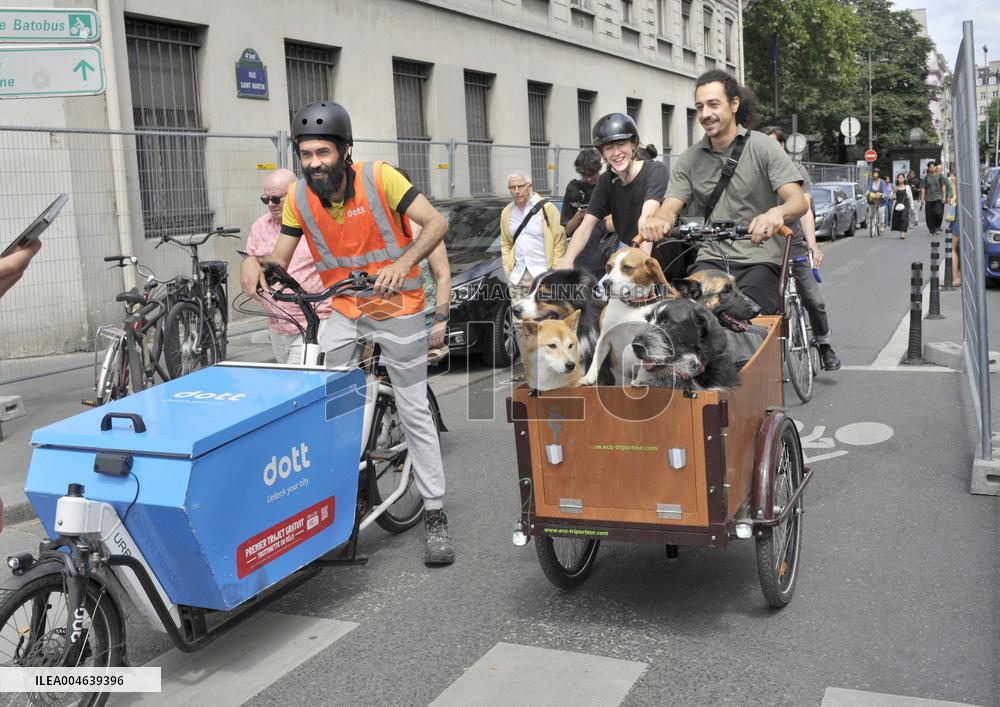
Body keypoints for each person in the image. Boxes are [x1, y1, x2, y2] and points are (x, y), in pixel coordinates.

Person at [240, 101, 455, 566]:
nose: (314, 162)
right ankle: (335, 494)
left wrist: (403, 263)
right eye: (306, 154)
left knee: (414, 405)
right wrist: (252, 264)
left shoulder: (381, 177)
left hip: (399, 307)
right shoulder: (299, 198)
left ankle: (435, 511)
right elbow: (278, 257)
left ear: (345, 150)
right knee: (320, 395)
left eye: (323, 152)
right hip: (344, 309)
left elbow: (438, 222)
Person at [638, 71, 808, 315]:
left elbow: (798, 201)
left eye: (713, 104)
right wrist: (657, 221)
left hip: (759, 258)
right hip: (711, 258)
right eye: (699, 107)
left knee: (748, 316)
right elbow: (669, 207)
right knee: (684, 315)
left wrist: (777, 213)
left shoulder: (763, 146)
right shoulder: (689, 159)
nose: (705, 114)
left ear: (734, 104)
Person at [761, 126, 841, 371]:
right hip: (764, 247)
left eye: (776, 144)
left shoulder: (797, 171)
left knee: (813, 299)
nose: (772, 149)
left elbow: (804, 210)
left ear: (783, 146)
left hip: (793, 246)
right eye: (767, 144)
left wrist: (813, 246)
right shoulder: (757, 173)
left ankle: (825, 346)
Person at [556, 113, 670, 270]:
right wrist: (567, 262)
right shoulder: (606, 180)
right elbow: (585, 227)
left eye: (621, 144)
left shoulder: (655, 171)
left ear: (633, 144)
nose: (616, 153)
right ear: (602, 154)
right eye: (609, 148)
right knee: (606, 292)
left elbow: (647, 218)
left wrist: (643, 270)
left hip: (658, 254)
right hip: (626, 250)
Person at [246, 168, 333, 364]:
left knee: (299, 385)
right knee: (287, 383)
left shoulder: (315, 223)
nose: (270, 204)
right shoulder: (260, 226)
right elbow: (252, 260)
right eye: (265, 199)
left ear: (294, 194)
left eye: (276, 199)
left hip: (311, 323)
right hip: (278, 325)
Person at [501, 170, 566, 379]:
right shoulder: (507, 212)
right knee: (521, 324)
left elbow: (559, 240)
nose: (517, 191)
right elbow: (506, 242)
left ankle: (553, 363)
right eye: (513, 187)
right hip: (519, 275)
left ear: (530, 186)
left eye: (521, 186)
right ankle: (528, 367)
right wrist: (508, 268)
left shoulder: (546, 209)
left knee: (546, 319)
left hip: (543, 275)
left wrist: (555, 271)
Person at [560, 149, 609, 278]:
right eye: (584, 175)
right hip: (582, 261)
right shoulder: (574, 189)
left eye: (592, 174)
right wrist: (580, 215)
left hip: (607, 257)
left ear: (598, 168)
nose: (588, 178)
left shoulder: (609, 184)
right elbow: (567, 230)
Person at [922, 161, 950, 235]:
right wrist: (922, 198)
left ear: (935, 167)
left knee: (938, 213)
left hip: (938, 197)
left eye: (933, 166)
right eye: (930, 167)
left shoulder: (940, 176)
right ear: (928, 168)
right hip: (929, 198)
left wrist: (944, 196)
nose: (932, 168)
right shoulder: (926, 177)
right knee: (929, 215)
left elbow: (943, 186)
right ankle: (931, 230)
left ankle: (937, 226)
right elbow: (923, 188)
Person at [890, 172, 916, 240]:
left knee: (904, 218)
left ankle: (903, 233)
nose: (900, 179)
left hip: (905, 204)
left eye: (902, 178)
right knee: (898, 218)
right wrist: (894, 192)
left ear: (904, 179)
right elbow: (892, 197)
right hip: (898, 203)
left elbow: (910, 197)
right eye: (899, 178)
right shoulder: (895, 187)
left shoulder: (907, 187)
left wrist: (912, 207)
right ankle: (901, 231)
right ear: (897, 179)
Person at [865, 169, 891, 234]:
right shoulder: (871, 181)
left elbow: (884, 189)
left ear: (879, 174)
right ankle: (871, 223)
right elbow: (868, 188)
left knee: (881, 212)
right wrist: (867, 193)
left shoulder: (882, 182)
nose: (875, 174)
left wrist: (884, 195)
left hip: (881, 200)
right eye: (874, 173)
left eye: (876, 173)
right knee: (871, 214)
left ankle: (881, 225)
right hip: (872, 200)